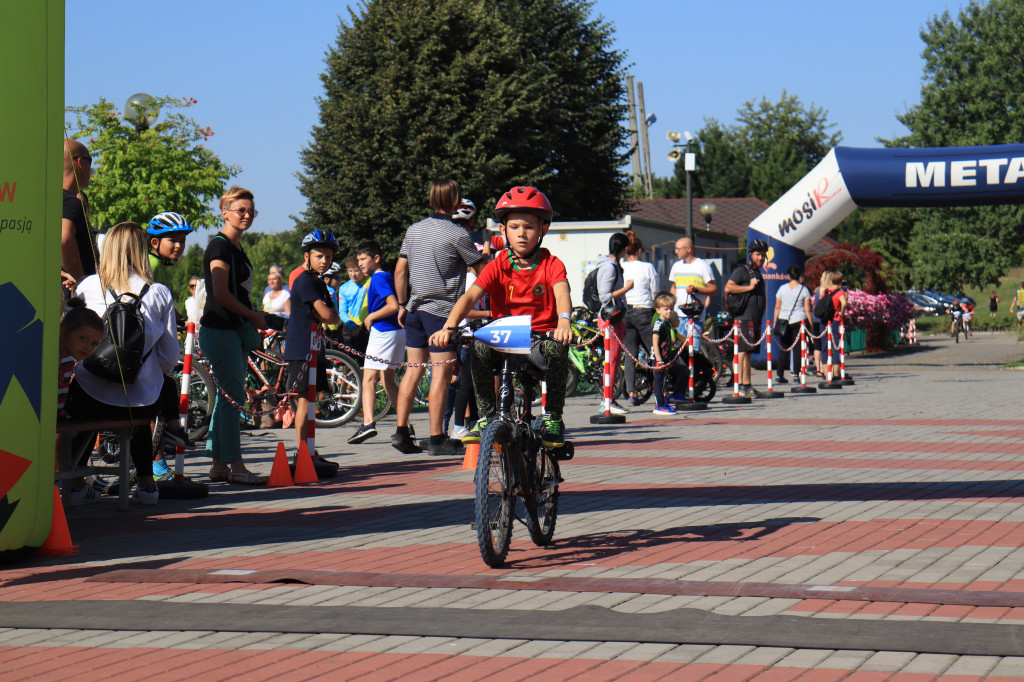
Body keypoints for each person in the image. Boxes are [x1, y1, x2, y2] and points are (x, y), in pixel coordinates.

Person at [429, 186, 572, 448]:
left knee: (557, 349)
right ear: (503, 230)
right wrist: (448, 327)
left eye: (529, 226)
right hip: (506, 337)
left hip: (538, 338)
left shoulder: (552, 264)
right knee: (479, 347)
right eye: (514, 226)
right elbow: (469, 297)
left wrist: (564, 320)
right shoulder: (497, 264)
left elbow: (562, 292)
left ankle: (553, 417)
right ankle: (485, 417)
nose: (521, 233)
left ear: (543, 229)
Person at [65, 222, 180, 505]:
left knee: (81, 409)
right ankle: (146, 485)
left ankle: (76, 484)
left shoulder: (88, 286)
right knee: (137, 402)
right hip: (141, 399)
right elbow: (169, 358)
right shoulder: (160, 293)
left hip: (90, 393)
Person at [393, 179, 486, 456]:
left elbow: (400, 271)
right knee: (441, 375)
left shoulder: (414, 230)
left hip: (414, 310)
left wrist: (401, 304)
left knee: (413, 370)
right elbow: (484, 271)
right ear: (456, 201)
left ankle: (401, 432)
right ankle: (436, 438)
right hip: (442, 314)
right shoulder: (458, 234)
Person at [199, 186, 271, 485]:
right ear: (224, 211)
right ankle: (237, 466)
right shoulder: (220, 246)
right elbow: (220, 293)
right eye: (240, 210)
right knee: (233, 398)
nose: (246, 215)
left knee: (226, 396)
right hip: (221, 328)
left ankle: (218, 464)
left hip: (231, 330)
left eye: (250, 211)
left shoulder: (236, 247)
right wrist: (253, 316)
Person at [146, 211, 197, 475]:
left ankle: (164, 447)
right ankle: (157, 462)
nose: (179, 245)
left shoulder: (152, 265)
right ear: (155, 243)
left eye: (182, 240)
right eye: (173, 240)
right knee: (158, 395)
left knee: (163, 389)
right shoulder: (150, 267)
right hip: (144, 350)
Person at [285, 230, 342, 460]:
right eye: (320, 256)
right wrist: (329, 316)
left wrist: (330, 316)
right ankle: (302, 451)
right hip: (301, 348)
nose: (325, 261)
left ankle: (309, 449)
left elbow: (333, 316)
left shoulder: (317, 282)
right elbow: (327, 314)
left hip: (314, 346)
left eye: (328, 257)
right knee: (304, 401)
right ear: (307, 256)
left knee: (310, 402)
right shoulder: (305, 281)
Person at [348, 240, 404, 444]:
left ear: (376, 258)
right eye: (359, 260)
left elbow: (393, 305)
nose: (360, 263)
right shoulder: (386, 276)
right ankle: (404, 426)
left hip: (383, 331)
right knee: (388, 381)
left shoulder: (378, 278)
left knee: (369, 379)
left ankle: (368, 423)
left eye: (364, 259)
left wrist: (371, 317)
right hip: (396, 332)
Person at [596, 232, 633, 414]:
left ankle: (609, 398)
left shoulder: (612, 265)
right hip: (609, 318)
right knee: (611, 361)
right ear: (624, 248)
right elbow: (604, 295)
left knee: (615, 359)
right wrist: (626, 289)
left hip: (616, 318)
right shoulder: (610, 267)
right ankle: (607, 400)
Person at [724, 239, 768, 397]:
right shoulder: (742, 270)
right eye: (758, 255)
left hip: (754, 319)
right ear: (750, 254)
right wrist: (749, 287)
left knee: (748, 353)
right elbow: (728, 287)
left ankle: (746, 384)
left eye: (763, 255)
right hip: (744, 318)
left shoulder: (758, 272)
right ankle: (742, 386)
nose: (761, 258)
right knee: (742, 352)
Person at [621, 231, 658, 406]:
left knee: (630, 353)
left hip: (626, 312)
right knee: (655, 350)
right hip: (644, 311)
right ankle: (661, 389)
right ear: (640, 250)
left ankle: (631, 392)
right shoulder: (647, 267)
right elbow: (655, 291)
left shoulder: (621, 267)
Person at [668, 236, 719, 354]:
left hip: (695, 316)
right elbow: (673, 287)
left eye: (678, 249)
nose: (676, 252)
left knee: (693, 351)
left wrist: (697, 289)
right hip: (678, 316)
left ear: (688, 249)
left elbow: (714, 289)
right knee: (679, 351)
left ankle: (694, 372)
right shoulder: (676, 266)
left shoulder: (702, 265)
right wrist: (671, 307)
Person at [61, 140, 97, 288]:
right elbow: (63, 238)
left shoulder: (41, 202)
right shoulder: (72, 204)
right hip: (70, 296)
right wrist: (81, 282)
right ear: (80, 162)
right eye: (90, 161)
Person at [772, 265, 812, 384]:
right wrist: (810, 324)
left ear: (788, 276)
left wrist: (775, 321)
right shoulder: (804, 290)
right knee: (798, 349)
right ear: (799, 276)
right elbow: (807, 308)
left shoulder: (782, 289)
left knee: (784, 348)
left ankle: (779, 374)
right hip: (799, 320)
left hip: (784, 320)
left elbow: (777, 306)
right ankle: (796, 374)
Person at [650, 293, 683, 416]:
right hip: (659, 358)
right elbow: (655, 342)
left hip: (665, 356)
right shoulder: (658, 324)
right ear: (658, 310)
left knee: (664, 381)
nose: (669, 311)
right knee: (659, 381)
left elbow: (670, 339)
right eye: (666, 309)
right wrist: (659, 359)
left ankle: (662, 402)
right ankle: (659, 405)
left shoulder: (667, 323)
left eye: (671, 309)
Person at [821, 271, 848, 370]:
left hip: (824, 319)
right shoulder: (840, 292)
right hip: (835, 319)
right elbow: (844, 303)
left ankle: (824, 371)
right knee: (836, 345)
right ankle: (836, 372)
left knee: (824, 345)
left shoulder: (825, 291)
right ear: (841, 281)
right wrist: (842, 312)